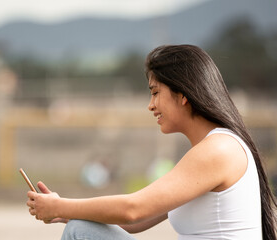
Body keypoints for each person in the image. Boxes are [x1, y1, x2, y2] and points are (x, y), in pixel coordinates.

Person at [26, 45, 277, 240]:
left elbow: (134, 209)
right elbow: (132, 222)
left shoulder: (218, 149)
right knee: (80, 227)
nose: (150, 105)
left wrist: (61, 205)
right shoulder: (209, 150)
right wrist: (63, 212)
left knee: (79, 231)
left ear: (183, 94)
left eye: (155, 92)